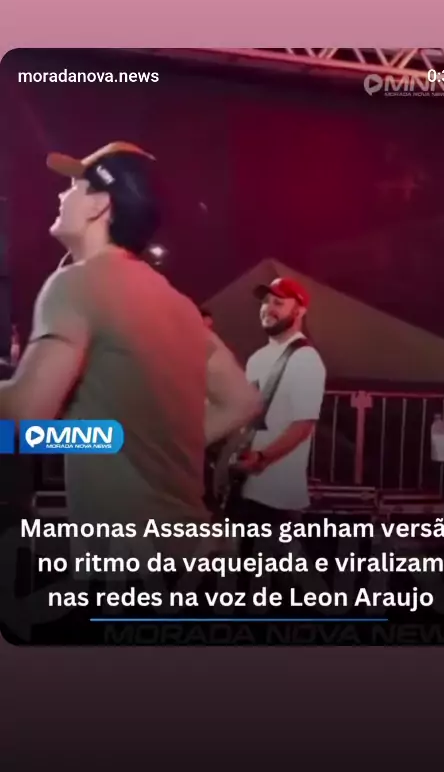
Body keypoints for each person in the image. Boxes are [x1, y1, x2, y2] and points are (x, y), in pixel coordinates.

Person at [0, 142, 260, 532]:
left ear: (98, 205)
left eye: (73, 187)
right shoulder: (180, 305)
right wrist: (140, 445)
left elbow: (24, 416)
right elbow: (242, 401)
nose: (61, 196)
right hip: (189, 547)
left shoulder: (76, 284)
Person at [231, 276, 326, 523]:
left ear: (300, 311)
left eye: (278, 303)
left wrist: (262, 458)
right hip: (247, 489)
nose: (268, 308)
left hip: (279, 496)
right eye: (265, 301)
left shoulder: (306, 359)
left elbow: (303, 425)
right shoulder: (257, 358)